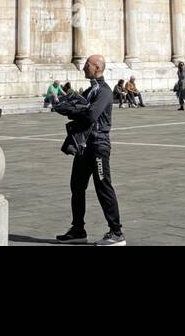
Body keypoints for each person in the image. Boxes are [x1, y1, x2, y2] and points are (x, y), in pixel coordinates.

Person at [54, 54, 124, 246]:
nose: (84, 67)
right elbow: (75, 108)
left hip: (99, 146)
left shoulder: (104, 91)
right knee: (76, 187)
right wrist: (68, 106)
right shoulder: (90, 90)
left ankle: (116, 232)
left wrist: (75, 109)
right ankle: (78, 230)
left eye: (87, 64)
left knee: (103, 187)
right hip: (84, 146)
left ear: (97, 68)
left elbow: (92, 114)